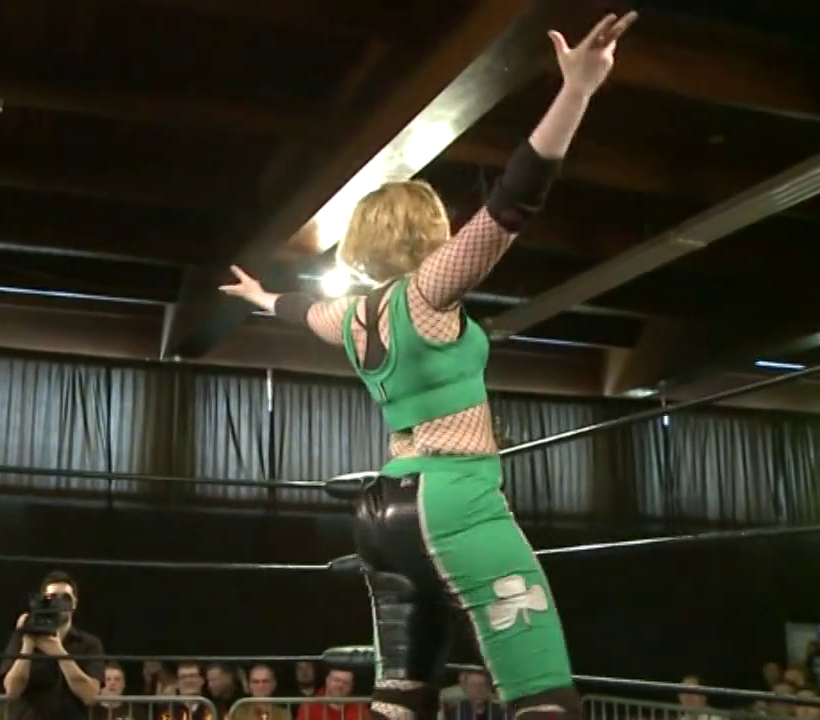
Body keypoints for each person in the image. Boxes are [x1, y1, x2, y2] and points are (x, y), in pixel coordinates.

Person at [217, 11, 638, 720]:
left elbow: (300, 310)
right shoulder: (427, 291)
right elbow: (512, 202)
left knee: (400, 698)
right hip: (455, 497)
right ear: (429, 231)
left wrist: (262, 297)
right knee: (542, 690)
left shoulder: (350, 316)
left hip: (383, 514)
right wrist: (576, 92)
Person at [0, 570, 105, 720]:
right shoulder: (23, 636)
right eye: (53, 597)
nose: (59, 603)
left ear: (74, 603)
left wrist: (60, 653)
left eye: (66, 598)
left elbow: (90, 695)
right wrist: (28, 643)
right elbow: (12, 690)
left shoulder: (89, 643)